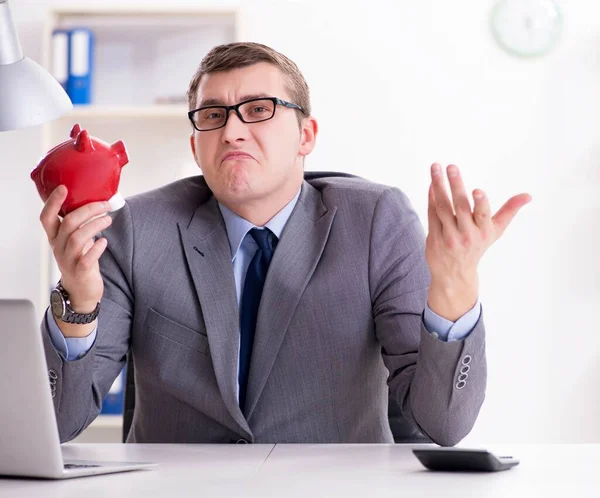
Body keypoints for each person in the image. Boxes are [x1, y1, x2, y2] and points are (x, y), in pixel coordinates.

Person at [39, 42, 531, 445]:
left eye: (258, 110)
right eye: (212, 115)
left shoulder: (377, 222)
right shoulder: (136, 229)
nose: (232, 131)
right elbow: (58, 425)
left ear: (306, 135)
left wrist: (453, 288)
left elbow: (441, 427)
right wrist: (77, 303)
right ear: (195, 145)